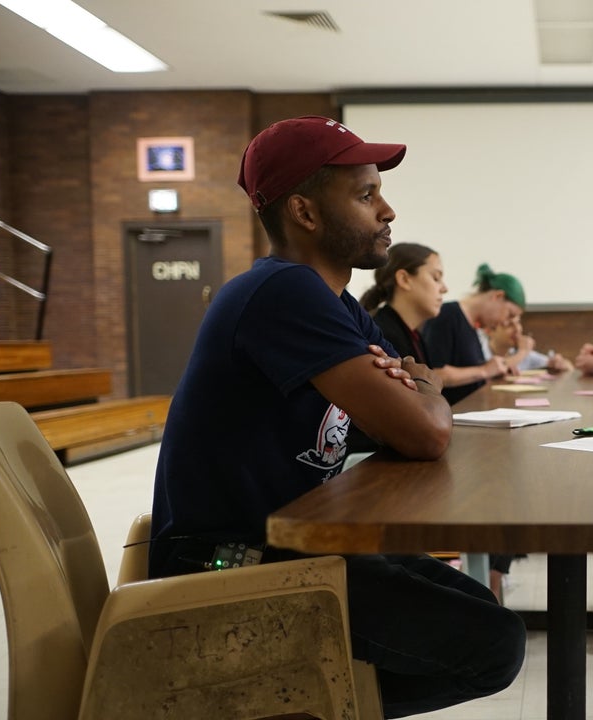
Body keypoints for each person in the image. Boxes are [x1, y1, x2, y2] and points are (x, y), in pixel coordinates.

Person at [147, 116, 525, 718]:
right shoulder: (283, 291)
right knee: (493, 644)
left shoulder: (338, 303)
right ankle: (280, 705)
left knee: (484, 616)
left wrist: (415, 398)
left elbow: (393, 422)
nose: (388, 211)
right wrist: (424, 389)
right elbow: (423, 429)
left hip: (299, 542)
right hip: (232, 564)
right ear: (304, 212)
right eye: (366, 194)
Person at [421, 263, 525, 405]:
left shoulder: (472, 325)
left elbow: (467, 371)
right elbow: (434, 374)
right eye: (509, 315)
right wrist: (485, 370)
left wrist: (494, 371)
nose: (504, 322)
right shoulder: (447, 315)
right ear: (498, 296)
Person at [358, 242, 447, 363]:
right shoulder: (382, 335)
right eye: (436, 278)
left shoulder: (415, 336)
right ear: (404, 279)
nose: (444, 289)